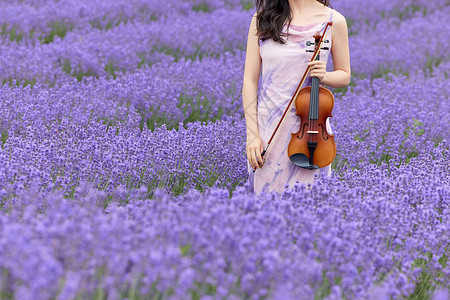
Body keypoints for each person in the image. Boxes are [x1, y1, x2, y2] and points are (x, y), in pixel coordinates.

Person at [242, 0, 351, 195]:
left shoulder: (334, 21)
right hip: (268, 134)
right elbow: (250, 81)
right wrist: (252, 136)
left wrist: (325, 76)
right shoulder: (261, 20)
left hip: (312, 137)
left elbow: (344, 75)